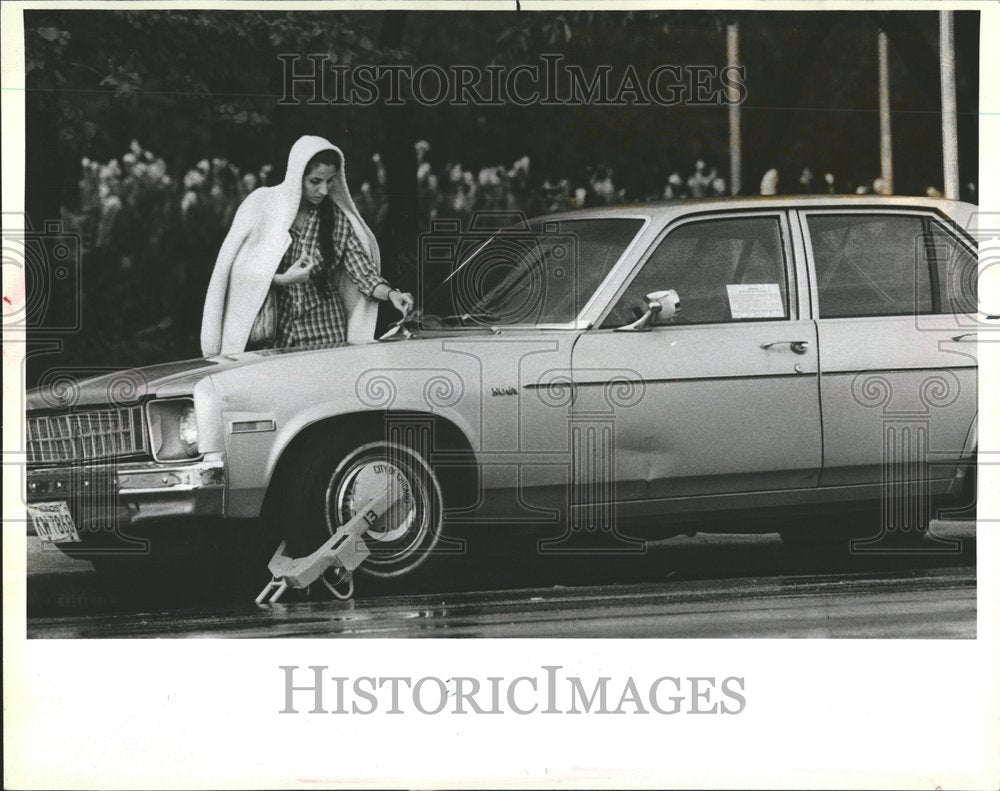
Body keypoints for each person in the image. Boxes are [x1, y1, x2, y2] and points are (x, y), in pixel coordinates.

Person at [200, 135, 414, 356]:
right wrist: (283, 279)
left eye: (330, 181)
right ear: (297, 176)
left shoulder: (338, 220)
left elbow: (363, 273)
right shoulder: (264, 207)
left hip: (326, 331)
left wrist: (391, 294)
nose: (323, 190)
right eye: (315, 181)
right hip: (275, 333)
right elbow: (237, 273)